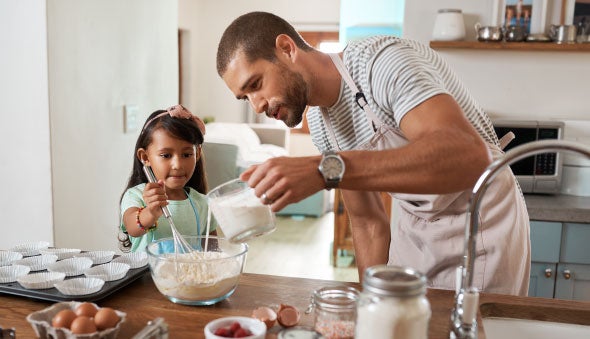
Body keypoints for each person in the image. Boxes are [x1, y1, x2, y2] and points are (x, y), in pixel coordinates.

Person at [216, 11, 530, 295]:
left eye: (256, 84)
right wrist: (371, 306)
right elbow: (368, 223)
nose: (257, 106)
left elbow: (468, 157)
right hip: (416, 227)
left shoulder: (382, 63)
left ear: (287, 48)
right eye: (246, 98)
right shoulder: (322, 124)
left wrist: (323, 170)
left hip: (480, 222)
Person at [118, 105, 216, 252]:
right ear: (145, 157)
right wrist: (150, 212)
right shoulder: (136, 196)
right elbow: (132, 228)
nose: (177, 165)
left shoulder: (202, 203)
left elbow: (213, 251)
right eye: (166, 155)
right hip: (147, 275)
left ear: (197, 153)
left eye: (187, 155)